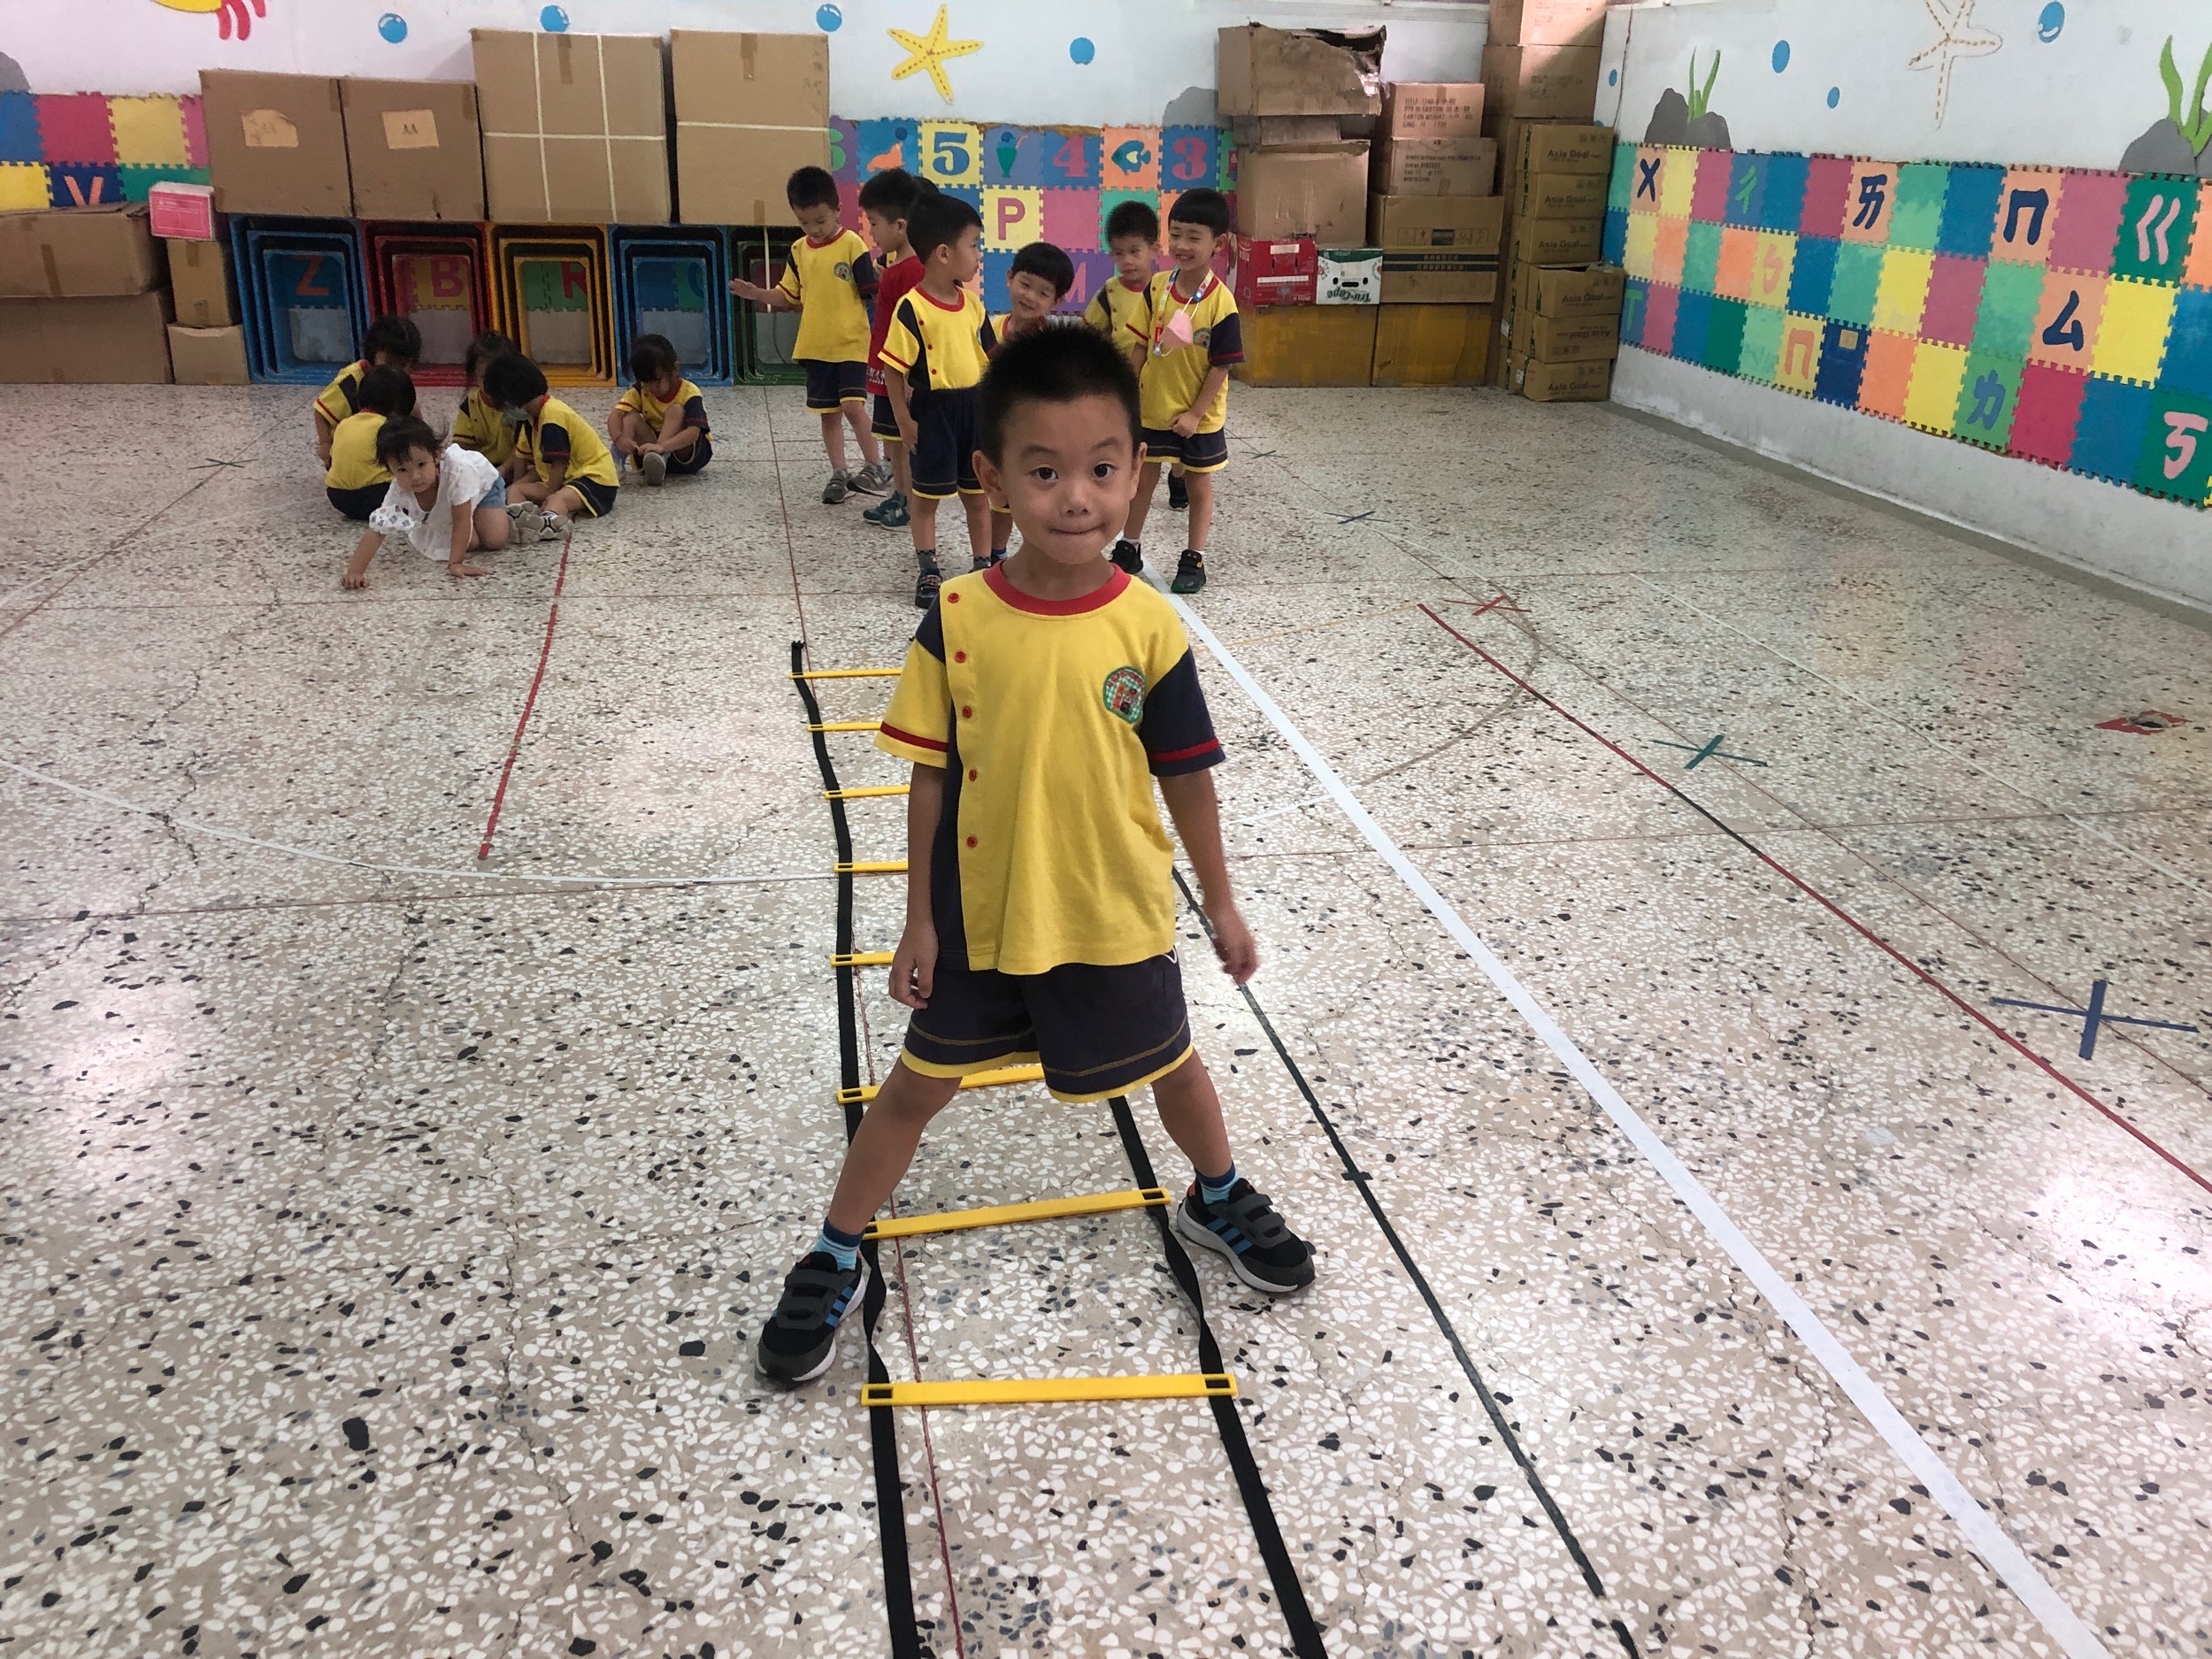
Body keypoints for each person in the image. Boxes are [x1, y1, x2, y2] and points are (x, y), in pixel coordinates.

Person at [754, 326, 1315, 1386]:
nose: (1075, 498)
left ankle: (1216, 1195)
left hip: (1112, 907)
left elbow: (1187, 775)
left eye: (1101, 469)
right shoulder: (957, 619)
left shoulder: (1150, 627)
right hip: (982, 914)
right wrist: (918, 921)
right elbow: (928, 778)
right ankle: (835, 1251)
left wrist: (1223, 902)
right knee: (914, 1088)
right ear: (993, 477)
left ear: (1135, 472)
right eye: (1044, 471)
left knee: (1175, 1063)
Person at [728, 165, 888, 504]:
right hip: (816, 347)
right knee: (828, 414)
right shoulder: (799, 250)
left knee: (853, 407)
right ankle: (839, 473)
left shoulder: (852, 243)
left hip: (852, 344)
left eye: (820, 221)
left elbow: (872, 292)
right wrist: (756, 293)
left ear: (837, 210)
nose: (814, 229)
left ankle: (876, 466)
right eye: (805, 223)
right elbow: (787, 296)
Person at [1112, 188, 1241, 595]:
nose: (1182, 245)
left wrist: (1195, 414)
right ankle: (1129, 546)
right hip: (1153, 407)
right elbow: (1139, 344)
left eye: (1194, 237)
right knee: (1143, 477)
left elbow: (1221, 366)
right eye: (1176, 234)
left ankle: (1194, 557)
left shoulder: (1221, 303)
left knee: (1198, 485)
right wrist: (1127, 393)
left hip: (1199, 417)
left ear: (1218, 243)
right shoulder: (1157, 288)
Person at [879, 191, 996, 607]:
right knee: (926, 498)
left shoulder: (974, 305)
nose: (979, 255)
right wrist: (903, 421)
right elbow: (893, 369)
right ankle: (928, 569)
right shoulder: (911, 308)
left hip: (974, 410)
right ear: (944, 253)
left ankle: (983, 566)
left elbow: (994, 358)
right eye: (974, 245)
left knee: (976, 496)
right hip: (932, 413)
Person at [1085, 199, 1187, 513]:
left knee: (1176, 441)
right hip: (1125, 384)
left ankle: (1179, 475)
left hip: (1166, 384)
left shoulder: (1169, 289)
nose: (1126, 261)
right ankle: (1128, 486)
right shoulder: (1109, 293)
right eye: (1119, 253)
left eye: (1134, 251)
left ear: (1155, 249)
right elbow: (1089, 334)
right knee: (1130, 439)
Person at [983, 239, 1076, 568]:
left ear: (1056, 301)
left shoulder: (1049, 346)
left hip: (1033, 437)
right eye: (1025, 284)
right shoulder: (989, 329)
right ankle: (993, 555)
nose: (1030, 297)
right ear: (1009, 278)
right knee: (995, 498)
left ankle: (1031, 556)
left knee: (1028, 502)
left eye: (1043, 292)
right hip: (992, 429)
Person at [341, 414, 512, 589]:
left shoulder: (457, 473)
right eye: (402, 470)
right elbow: (377, 531)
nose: (415, 476)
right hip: (453, 502)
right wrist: (355, 571)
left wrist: (455, 563)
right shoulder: (399, 489)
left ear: (436, 456)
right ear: (390, 470)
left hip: (484, 486)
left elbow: (461, 519)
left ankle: (509, 514)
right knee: (472, 542)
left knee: (495, 540)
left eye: (421, 465)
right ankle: (478, 516)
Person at [858, 168, 929, 533]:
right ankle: (900, 495)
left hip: (901, 372)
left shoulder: (913, 269)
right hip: (886, 367)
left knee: (903, 441)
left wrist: (912, 377)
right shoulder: (896, 265)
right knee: (892, 438)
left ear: (900, 226)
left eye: (874, 223)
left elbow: (917, 326)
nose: (871, 232)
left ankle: (912, 503)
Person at [480, 352, 610, 538]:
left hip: (594, 479)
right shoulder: (530, 420)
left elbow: (559, 464)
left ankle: (549, 523)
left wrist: (549, 492)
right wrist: (512, 490)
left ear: (510, 397)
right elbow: (521, 457)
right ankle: (519, 521)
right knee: (515, 489)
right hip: (566, 478)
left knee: (558, 499)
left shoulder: (552, 415)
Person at [312, 315, 421, 467]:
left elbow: (411, 410)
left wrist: (422, 440)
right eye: (390, 362)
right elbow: (321, 411)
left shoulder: (399, 380)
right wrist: (325, 444)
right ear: (371, 354)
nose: (397, 370)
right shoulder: (351, 381)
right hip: (349, 445)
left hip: (382, 442)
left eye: (404, 365)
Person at [608, 334, 712, 487]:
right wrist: (619, 439)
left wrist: (662, 447)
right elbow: (615, 415)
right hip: (650, 451)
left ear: (675, 369)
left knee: (676, 410)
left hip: (685, 453)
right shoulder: (641, 390)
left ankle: (660, 456)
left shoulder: (690, 393)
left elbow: (693, 433)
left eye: (657, 381)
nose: (651, 388)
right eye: (646, 382)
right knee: (630, 418)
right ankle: (617, 460)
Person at [324, 365, 415, 521]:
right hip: (379, 495)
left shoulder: (343, 424)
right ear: (398, 405)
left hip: (338, 496)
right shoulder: (390, 427)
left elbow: (332, 462)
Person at [450, 331, 519, 469]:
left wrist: (504, 469)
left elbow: (524, 448)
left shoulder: (520, 404)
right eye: (484, 377)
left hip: (516, 465)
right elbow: (461, 447)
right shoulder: (470, 405)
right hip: (483, 468)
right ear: (474, 376)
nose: (492, 384)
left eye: (498, 377)